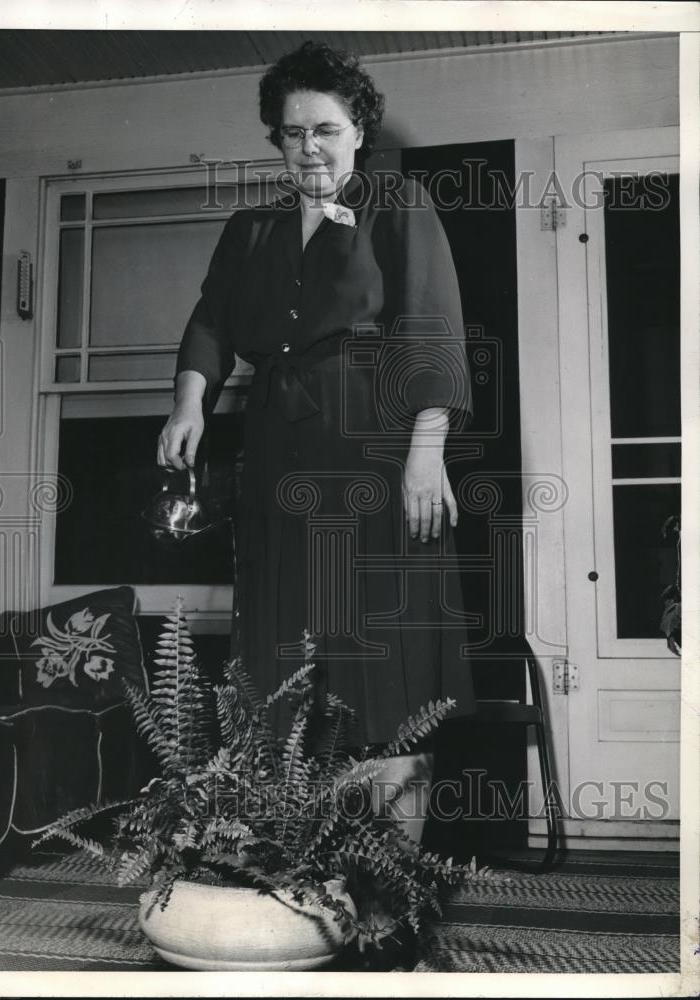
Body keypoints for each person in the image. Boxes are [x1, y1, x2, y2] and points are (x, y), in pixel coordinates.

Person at [158, 40, 475, 968]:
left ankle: (397, 902)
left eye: (326, 130)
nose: (309, 149)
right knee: (285, 664)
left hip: (378, 459)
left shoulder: (400, 206)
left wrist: (425, 456)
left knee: (387, 671)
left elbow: (432, 329)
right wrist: (189, 401)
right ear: (275, 139)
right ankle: (301, 884)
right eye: (291, 133)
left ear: (359, 128)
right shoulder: (252, 228)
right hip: (277, 462)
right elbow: (213, 318)